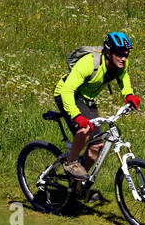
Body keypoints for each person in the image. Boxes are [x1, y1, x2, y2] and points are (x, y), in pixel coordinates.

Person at [54, 32, 139, 191]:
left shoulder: (121, 64)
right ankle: (71, 163)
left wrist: (129, 94)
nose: (124, 58)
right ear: (108, 52)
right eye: (119, 54)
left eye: (126, 54)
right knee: (85, 129)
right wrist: (76, 116)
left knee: (96, 145)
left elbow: (123, 77)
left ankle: (78, 186)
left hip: (87, 99)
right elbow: (67, 91)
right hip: (67, 94)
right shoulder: (88, 63)